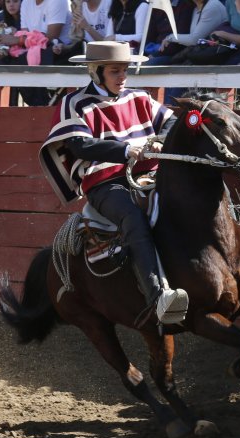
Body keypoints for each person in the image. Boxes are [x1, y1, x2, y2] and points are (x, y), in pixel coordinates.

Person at [39, 41, 187, 325]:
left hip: (151, 176)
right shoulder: (75, 103)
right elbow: (80, 145)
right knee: (133, 216)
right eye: (115, 71)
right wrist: (124, 150)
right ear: (96, 72)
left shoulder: (140, 97)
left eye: (125, 70)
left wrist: (157, 140)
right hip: (106, 184)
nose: (123, 77)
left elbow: (170, 124)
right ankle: (157, 296)